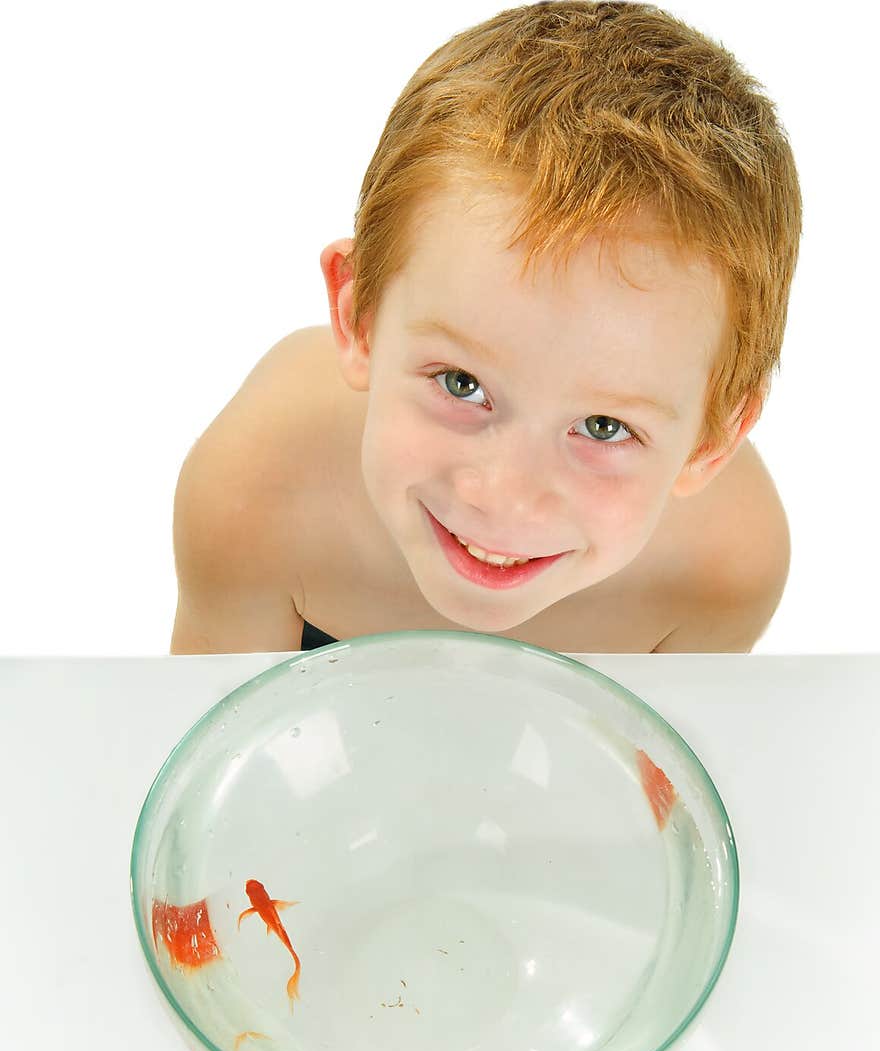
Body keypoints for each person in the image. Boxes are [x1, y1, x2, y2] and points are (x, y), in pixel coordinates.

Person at [170, 0, 801, 656]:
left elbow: (655, 758)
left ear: (710, 443)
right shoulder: (258, 492)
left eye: (604, 428)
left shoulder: (722, 571)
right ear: (359, 316)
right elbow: (210, 750)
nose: (506, 499)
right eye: (462, 383)